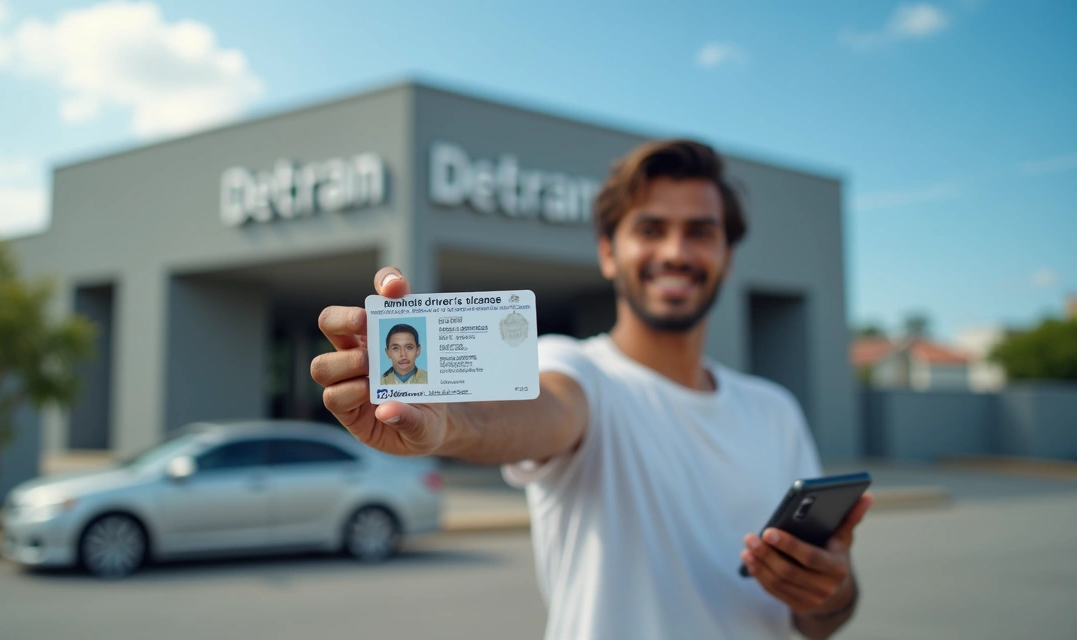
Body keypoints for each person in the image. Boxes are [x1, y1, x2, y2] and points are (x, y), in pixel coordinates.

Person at [311, 139, 872, 640]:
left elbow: (820, 623)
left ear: (726, 257)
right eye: (650, 229)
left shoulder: (775, 411)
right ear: (607, 252)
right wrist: (450, 423)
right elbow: (544, 410)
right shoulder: (575, 368)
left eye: (700, 232)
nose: (676, 252)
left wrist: (830, 593)